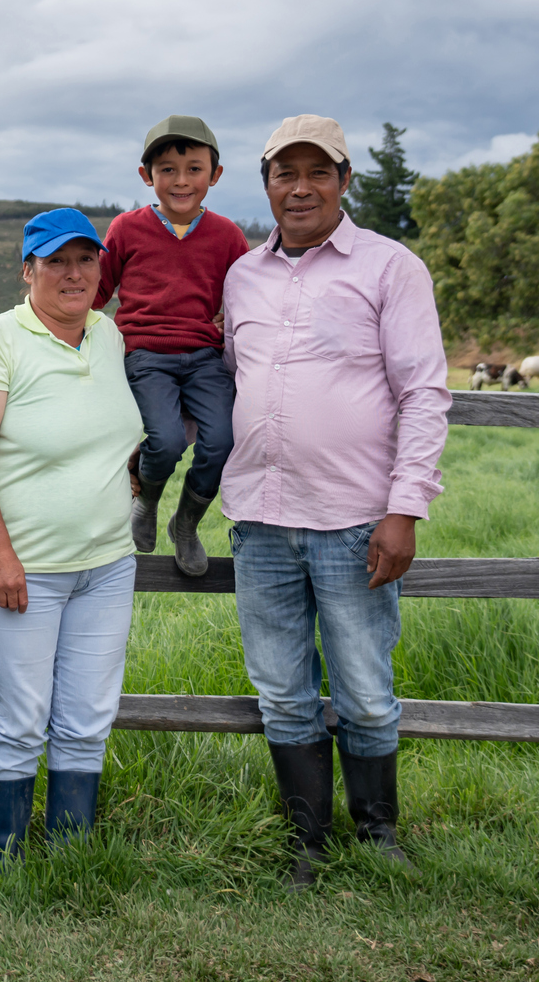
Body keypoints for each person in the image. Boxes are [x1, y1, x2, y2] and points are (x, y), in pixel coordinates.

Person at [220, 115, 450, 890]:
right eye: (286, 173)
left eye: (319, 172)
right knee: (282, 690)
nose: (301, 187)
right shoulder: (242, 276)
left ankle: (378, 834)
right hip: (259, 518)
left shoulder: (390, 268)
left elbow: (423, 392)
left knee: (363, 688)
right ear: (268, 185)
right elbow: (231, 377)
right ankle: (305, 843)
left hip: (355, 519)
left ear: (345, 182)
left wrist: (405, 508)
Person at [0, 209, 144, 856]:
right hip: (23, 571)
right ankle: (5, 859)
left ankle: (69, 855)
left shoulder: (108, 336)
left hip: (107, 565)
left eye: (85, 259)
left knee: (89, 717)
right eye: (56, 261)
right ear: (27, 269)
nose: (73, 273)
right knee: (22, 719)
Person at [95, 116, 252, 577]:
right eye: (167, 169)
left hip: (205, 357)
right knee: (162, 441)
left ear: (215, 175)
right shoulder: (126, 228)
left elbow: (247, 301)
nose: (181, 181)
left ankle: (186, 523)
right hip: (146, 356)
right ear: (147, 176)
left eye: (194, 169)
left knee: (223, 440)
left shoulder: (228, 237)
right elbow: (97, 292)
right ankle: (146, 504)